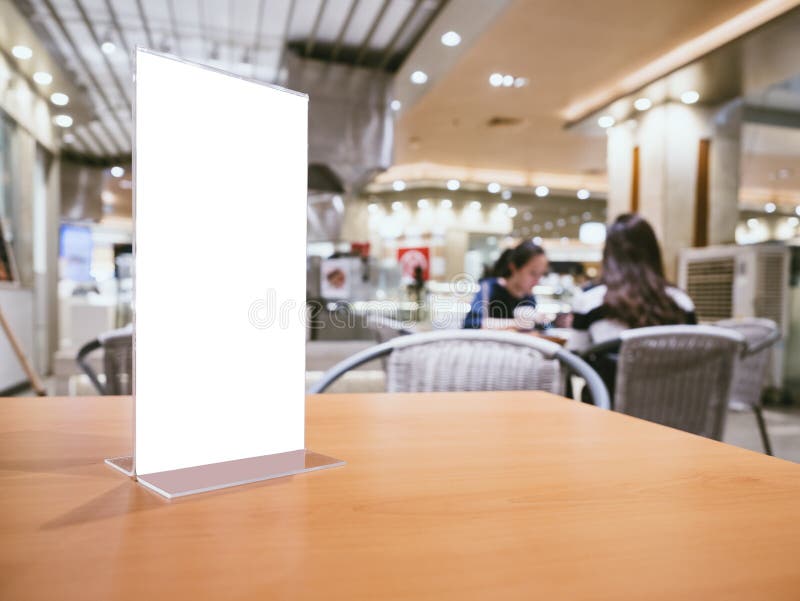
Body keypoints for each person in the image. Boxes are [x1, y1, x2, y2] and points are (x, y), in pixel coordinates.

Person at [570, 213, 696, 402]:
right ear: (654, 252)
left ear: (608, 253)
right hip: (674, 415)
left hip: (610, 417)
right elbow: (696, 360)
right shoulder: (681, 302)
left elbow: (575, 360)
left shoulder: (590, 301)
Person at [463, 240, 548, 329]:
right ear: (514, 267)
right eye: (533, 273)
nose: (537, 281)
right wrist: (515, 323)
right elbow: (470, 324)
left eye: (541, 274)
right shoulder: (489, 288)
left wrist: (545, 322)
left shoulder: (528, 297)